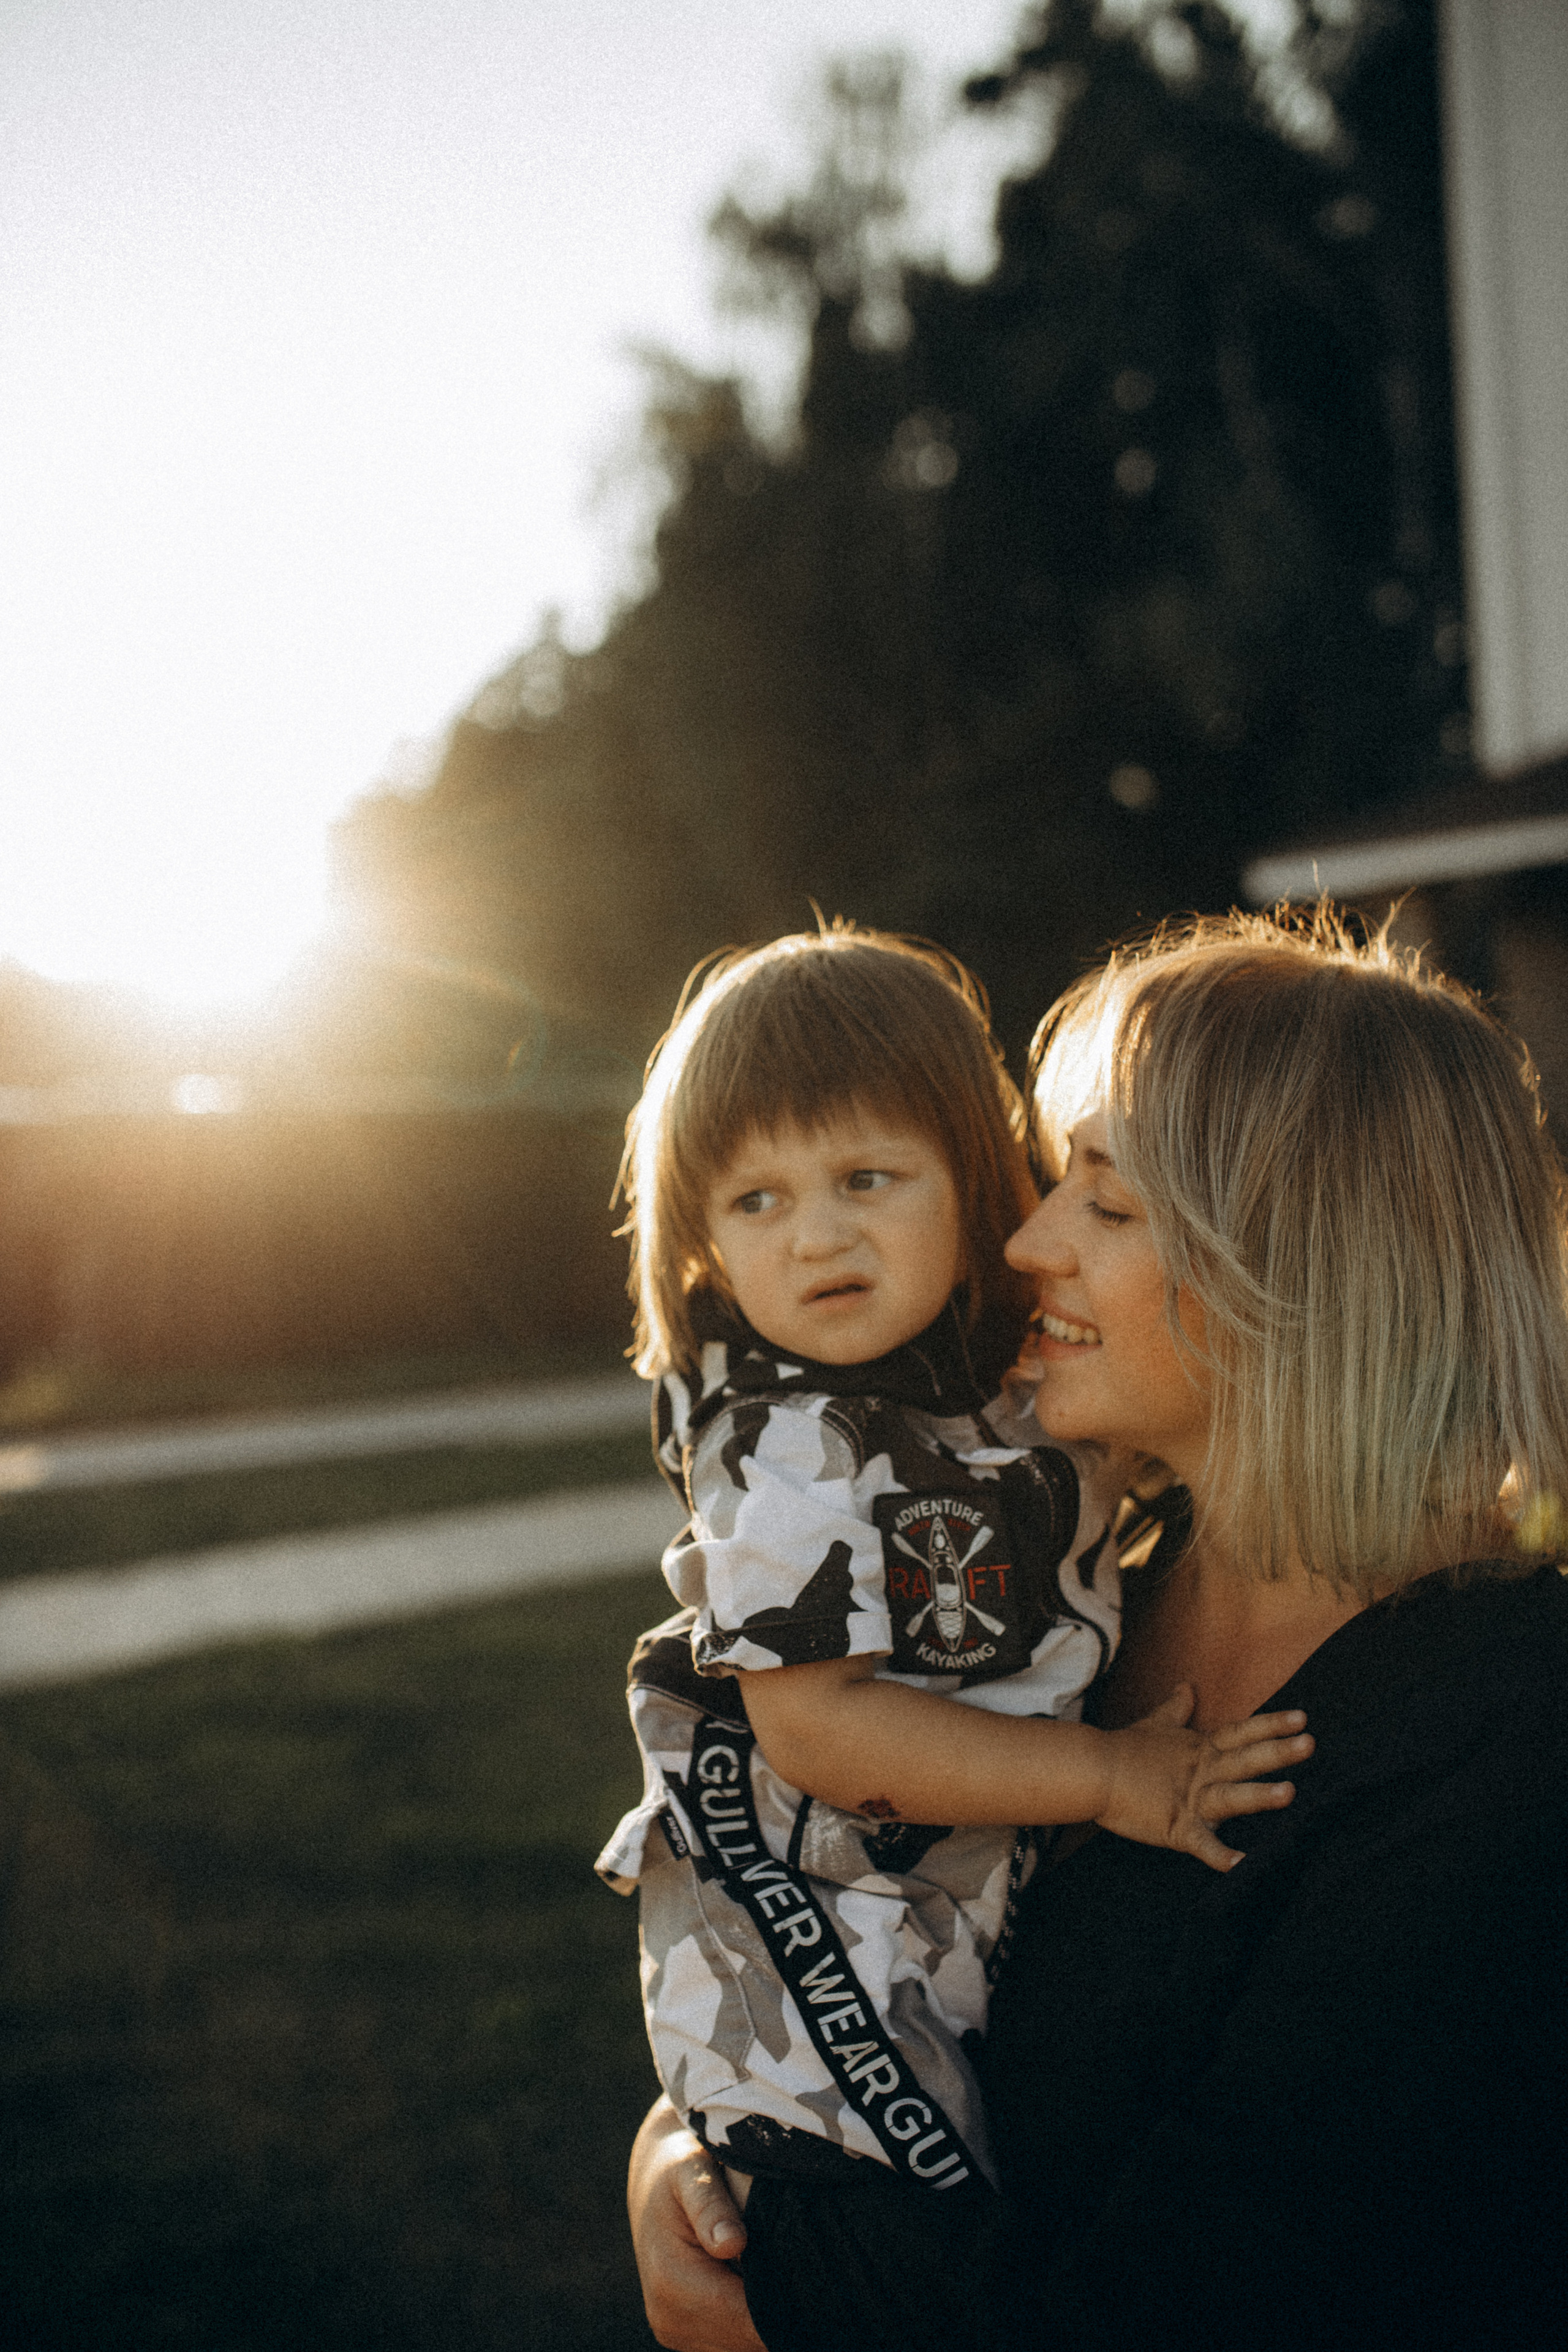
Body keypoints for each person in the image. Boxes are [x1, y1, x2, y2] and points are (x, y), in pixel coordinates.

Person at [626, 908, 1568, 2352]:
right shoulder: (1092, 1584)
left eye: (1105, 1207)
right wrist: (690, 2149)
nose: (1022, 1239)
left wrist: (787, 2293)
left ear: (1303, 1272)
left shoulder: (1501, 1752)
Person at [600, 927, 1310, 2349]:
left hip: (951, 1936)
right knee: (900, 2287)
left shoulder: (1005, 1388)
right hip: (816, 1968)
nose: (816, 1236)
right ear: (700, 1243)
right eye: (755, 1199)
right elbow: (819, 1729)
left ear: (977, 1185)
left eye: (866, 1178)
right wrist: (1112, 1779)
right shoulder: (785, 1449)